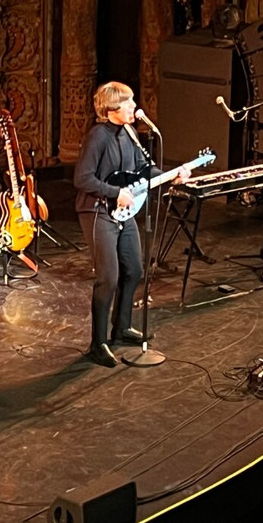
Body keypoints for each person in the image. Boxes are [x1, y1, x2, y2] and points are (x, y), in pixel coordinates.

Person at [73, 82, 190, 367]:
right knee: (108, 277)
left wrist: (171, 176)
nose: (133, 107)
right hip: (98, 211)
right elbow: (83, 179)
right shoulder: (97, 137)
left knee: (135, 268)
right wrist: (116, 193)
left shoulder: (130, 133)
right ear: (111, 109)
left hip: (123, 213)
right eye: (127, 102)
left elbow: (144, 169)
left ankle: (121, 327)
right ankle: (97, 343)